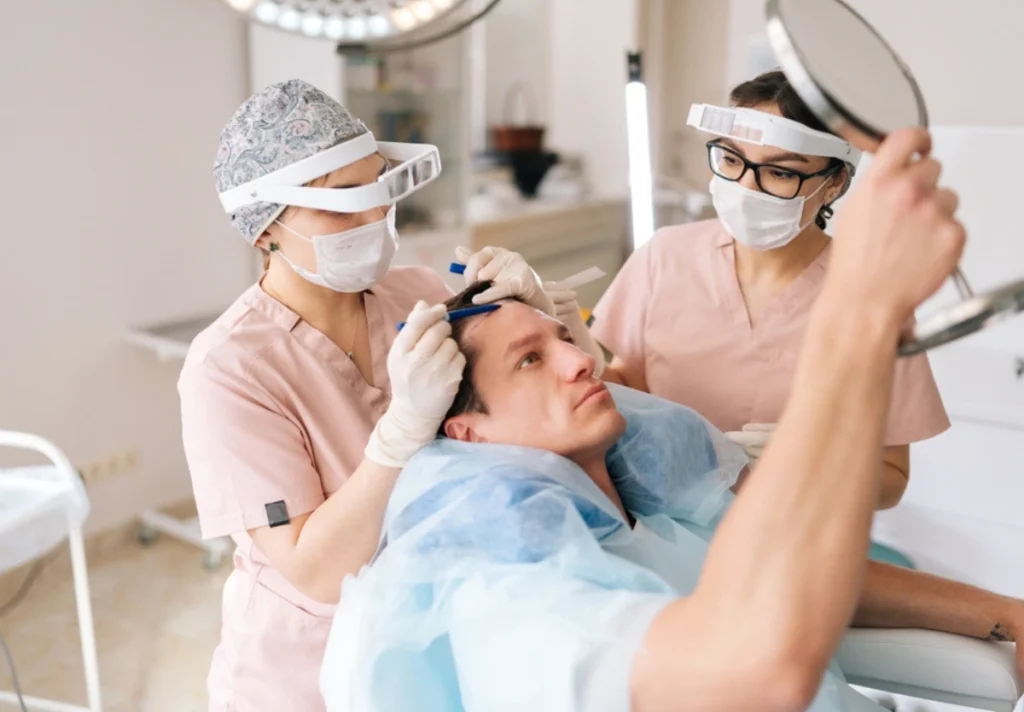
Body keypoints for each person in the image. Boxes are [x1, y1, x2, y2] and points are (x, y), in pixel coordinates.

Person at [323, 248, 1022, 711]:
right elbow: (749, 669)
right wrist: (850, 340)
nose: (580, 362)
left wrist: (1008, 613)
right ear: (467, 431)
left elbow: (803, 576)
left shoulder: (656, 516)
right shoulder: (518, 590)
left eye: (563, 338)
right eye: (530, 361)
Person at [178, 79, 466, 711]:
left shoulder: (419, 291)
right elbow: (313, 567)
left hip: (428, 644)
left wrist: (544, 312)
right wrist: (400, 435)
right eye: (341, 204)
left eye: (379, 191)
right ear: (264, 231)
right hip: (305, 675)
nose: (373, 219)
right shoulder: (229, 368)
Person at [583, 70, 948, 510]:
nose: (745, 188)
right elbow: (629, 388)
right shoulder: (667, 256)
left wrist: (818, 466)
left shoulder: (871, 296)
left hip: (792, 536)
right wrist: (563, 335)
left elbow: (892, 477)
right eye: (732, 160)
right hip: (663, 519)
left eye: (779, 172)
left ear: (834, 183)